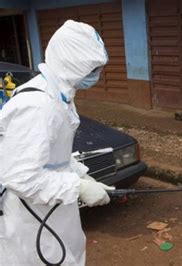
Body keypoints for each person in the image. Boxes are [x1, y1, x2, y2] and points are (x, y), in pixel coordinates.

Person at [0, 20, 114, 265]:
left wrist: (82, 175)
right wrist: (78, 188)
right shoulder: (37, 106)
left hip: (53, 208)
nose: (97, 75)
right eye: (92, 68)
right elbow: (20, 177)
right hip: (30, 218)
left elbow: (54, 155)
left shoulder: (59, 94)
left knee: (68, 253)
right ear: (73, 64)